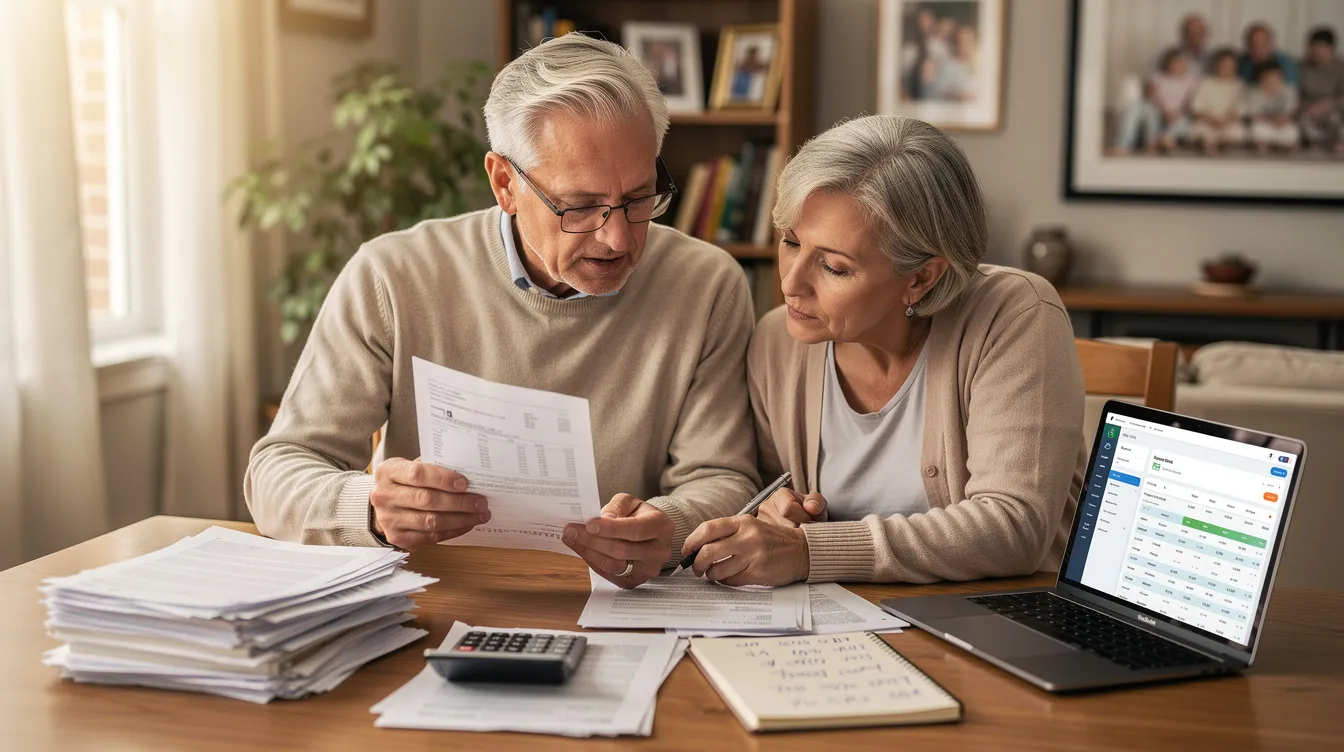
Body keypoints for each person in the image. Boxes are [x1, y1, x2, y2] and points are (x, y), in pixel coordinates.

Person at [244, 33, 760, 590]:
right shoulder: (392, 275)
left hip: (620, 602)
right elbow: (278, 471)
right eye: (581, 206)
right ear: (504, 183)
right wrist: (369, 507)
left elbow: (723, 477)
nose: (616, 238)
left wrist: (672, 525)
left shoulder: (706, 285)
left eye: (638, 198)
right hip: (430, 598)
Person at [673, 115, 1086, 586]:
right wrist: (780, 515)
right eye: (790, 242)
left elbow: (1014, 527)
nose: (790, 283)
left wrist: (811, 550)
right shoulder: (777, 343)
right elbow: (774, 500)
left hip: (1005, 623)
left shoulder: (1015, 313)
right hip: (846, 626)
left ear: (921, 278)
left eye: (833, 267)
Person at [1109, 48, 1198, 155]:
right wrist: (1164, 111)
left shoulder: (1190, 81)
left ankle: (1163, 141)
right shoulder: (1157, 77)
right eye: (1176, 62)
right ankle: (1123, 145)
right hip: (1158, 110)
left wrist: (1176, 113)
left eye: (1182, 62)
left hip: (1178, 114)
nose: (1179, 65)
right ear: (1167, 63)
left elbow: (1191, 101)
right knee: (1139, 108)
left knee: (1183, 123)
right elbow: (1151, 96)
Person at [1190, 48, 1247, 153]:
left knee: (1237, 131)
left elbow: (1240, 110)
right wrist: (1212, 119)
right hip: (1208, 121)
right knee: (1200, 130)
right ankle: (1207, 147)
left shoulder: (1239, 85)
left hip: (1229, 122)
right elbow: (1196, 108)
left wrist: (1226, 120)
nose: (1226, 68)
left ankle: (1225, 147)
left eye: (1230, 66)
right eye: (1223, 65)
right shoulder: (1205, 83)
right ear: (1215, 65)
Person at [1299, 27, 1344, 153]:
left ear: (1331, 48)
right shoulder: (1301, 67)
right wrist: (1307, 106)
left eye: (1321, 47)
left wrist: (1329, 105)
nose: (1316, 52)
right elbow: (1294, 94)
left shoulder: (1340, 68)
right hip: (1307, 112)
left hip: (1334, 112)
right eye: (1313, 47)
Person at [1247, 62, 1300, 152]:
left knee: (1292, 131)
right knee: (1257, 130)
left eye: (1275, 80)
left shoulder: (1289, 91)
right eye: (1268, 80)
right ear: (1261, 80)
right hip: (1265, 124)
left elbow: (1291, 112)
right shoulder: (1255, 93)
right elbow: (1254, 115)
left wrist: (1281, 120)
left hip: (1282, 124)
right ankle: (1263, 151)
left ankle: (1288, 152)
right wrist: (1270, 120)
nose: (1272, 83)